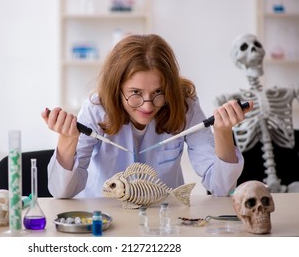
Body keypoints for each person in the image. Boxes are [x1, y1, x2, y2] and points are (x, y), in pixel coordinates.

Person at [42, 34, 253, 198]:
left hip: (164, 222)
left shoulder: (183, 105)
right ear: (117, 88)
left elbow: (221, 188)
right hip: (105, 222)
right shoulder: (97, 109)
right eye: (135, 93)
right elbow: (62, 192)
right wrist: (68, 140)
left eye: (158, 92)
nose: (148, 105)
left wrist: (224, 133)